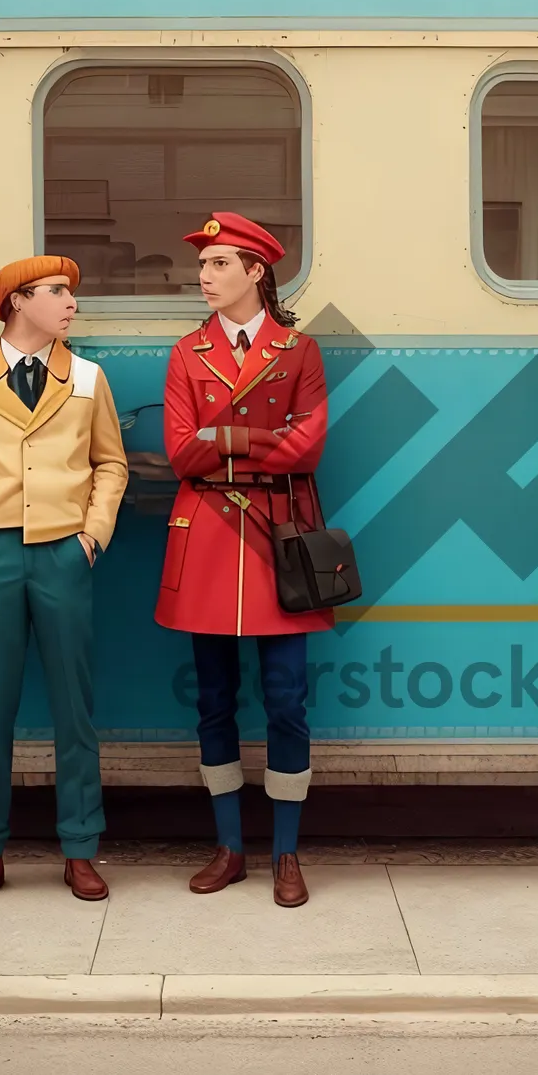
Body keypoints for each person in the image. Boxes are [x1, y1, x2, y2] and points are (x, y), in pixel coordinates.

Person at [0, 257, 128, 905]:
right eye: (56, 292)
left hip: (64, 555)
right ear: (17, 302)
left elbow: (111, 463)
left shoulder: (89, 378)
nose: (71, 302)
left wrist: (91, 537)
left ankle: (81, 848)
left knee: (75, 709)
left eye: (71, 291)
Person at [155, 212, 332, 906]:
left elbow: (307, 449)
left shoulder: (300, 350)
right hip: (206, 538)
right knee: (213, 702)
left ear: (257, 272)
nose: (205, 276)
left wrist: (219, 436)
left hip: (276, 538)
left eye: (220, 263)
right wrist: (262, 435)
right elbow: (180, 453)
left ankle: (286, 854)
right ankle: (229, 847)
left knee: (287, 703)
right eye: (203, 264)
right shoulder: (185, 352)